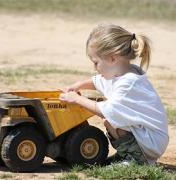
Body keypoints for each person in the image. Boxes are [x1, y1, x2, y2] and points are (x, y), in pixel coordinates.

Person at [59, 24, 169, 165]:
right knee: (111, 122)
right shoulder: (122, 73)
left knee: (112, 120)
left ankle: (136, 160)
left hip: (151, 141)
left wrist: (77, 99)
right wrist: (77, 85)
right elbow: (97, 81)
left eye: (96, 62)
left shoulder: (128, 84)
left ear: (112, 59)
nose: (94, 68)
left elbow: (104, 110)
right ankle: (126, 155)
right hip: (147, 137)